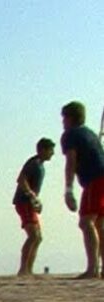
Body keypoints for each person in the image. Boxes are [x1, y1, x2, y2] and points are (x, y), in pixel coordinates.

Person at [60, 101, 104, 278]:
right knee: (99, 224)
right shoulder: (90, 134)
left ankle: (92, 268)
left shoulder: (70, 135)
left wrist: (69, 189)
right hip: (100, 178)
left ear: (70, 118)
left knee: (86, 222)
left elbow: (71, 161)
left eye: (64, 118)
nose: (63, 122)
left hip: (95, 179)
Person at [14, 138, 55, 276]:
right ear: (42, 150)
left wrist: (36, 200)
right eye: (50, 150)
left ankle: (29, 270)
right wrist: (31, 196)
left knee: (38, 237)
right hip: (24, 202)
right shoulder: (34, 163)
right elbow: (21, 179)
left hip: (30, 203)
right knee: (33, 235)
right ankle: (23, 269)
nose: (52, 153)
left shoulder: (41, 166)